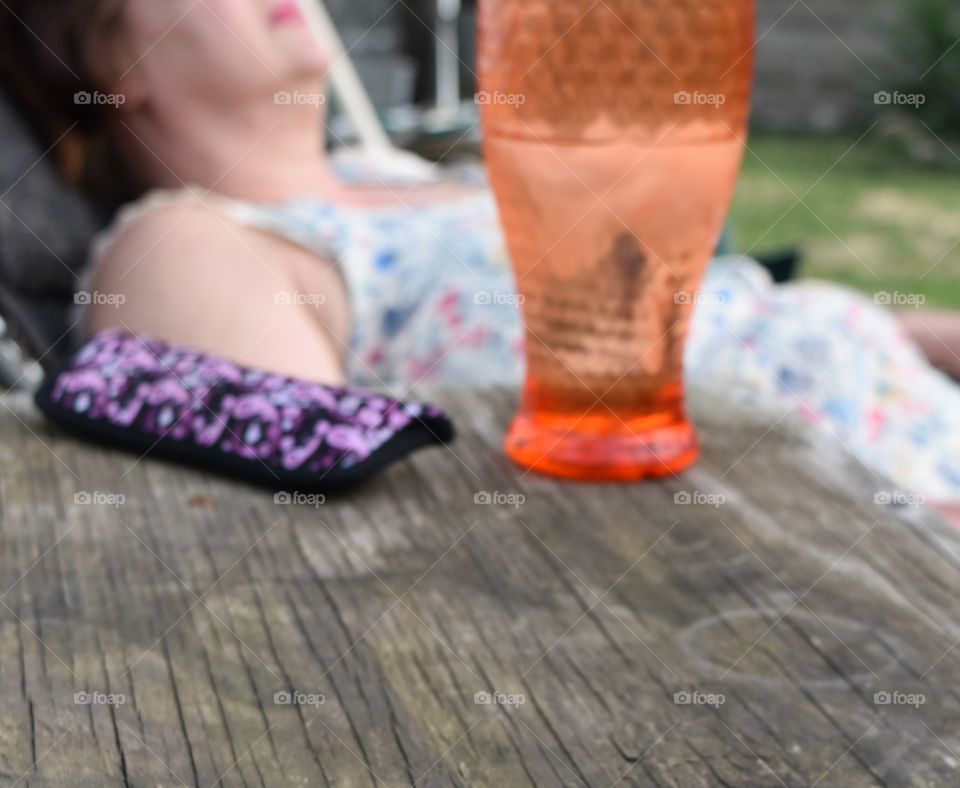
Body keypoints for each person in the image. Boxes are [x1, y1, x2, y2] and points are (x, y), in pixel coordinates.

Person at [3, 0, 960, 504]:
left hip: (903, 412)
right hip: (861, 511)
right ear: (113, 66)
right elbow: (322, 524)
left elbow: (720, 309)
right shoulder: (188, 244)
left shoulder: (428, 177)